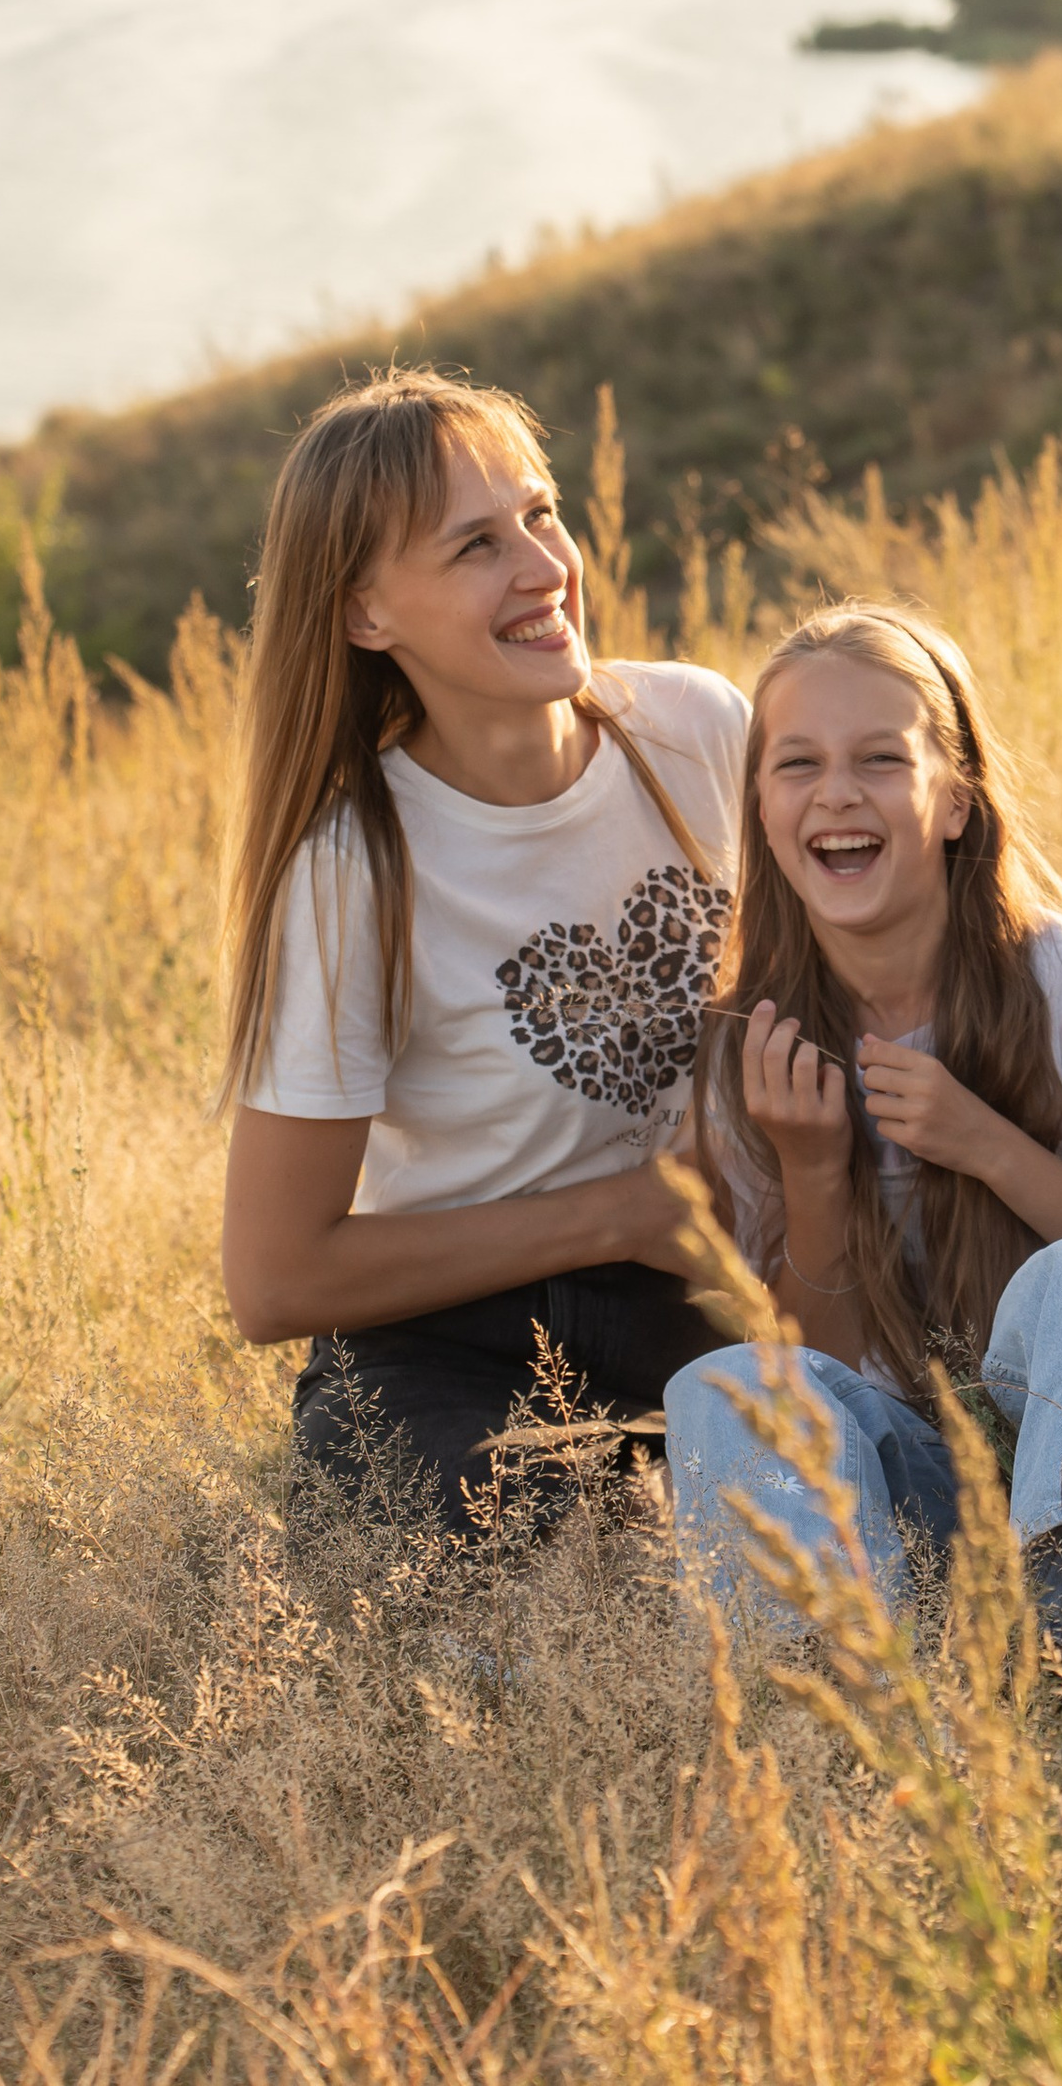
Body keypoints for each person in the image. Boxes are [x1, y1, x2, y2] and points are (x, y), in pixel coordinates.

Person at [662, 603, 1062, 1773]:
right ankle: (865, 1744)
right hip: (935, 1545)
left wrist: (988, 1146)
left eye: (882, 757)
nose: (838, 795)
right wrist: (816, 1171)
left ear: (954, 796)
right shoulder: (750, 1045)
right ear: (762, 810)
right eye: (798, 765)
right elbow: (821, 1375)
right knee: (726, 1383)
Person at [219, 370, 750, 1537]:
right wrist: (626, 1213)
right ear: (367, 613)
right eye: (473, 546)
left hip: (705, 1300)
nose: (542, 566)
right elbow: (274, 1278)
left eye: (541, 513)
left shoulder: (699, 729)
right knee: (578, 1551)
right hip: (452, 1346)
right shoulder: (353, 865)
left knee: (827, 1491)